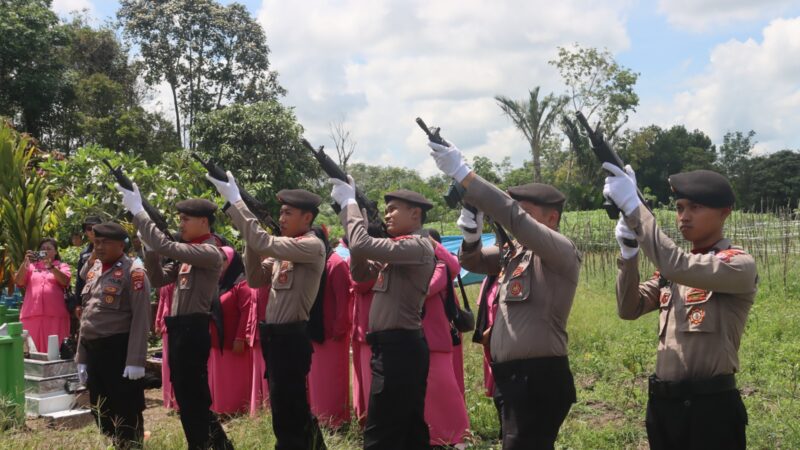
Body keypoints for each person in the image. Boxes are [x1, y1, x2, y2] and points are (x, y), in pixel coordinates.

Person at [429, 139, 581, 450]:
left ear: (552, 219)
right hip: (512, 377)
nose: (518, 220)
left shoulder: (560, 250)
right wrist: (471, 235)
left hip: (538, 376)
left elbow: (514, 218)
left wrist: (464, 175)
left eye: (527, 213)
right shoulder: (515, 253)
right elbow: (471, 261)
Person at [603, 165, 757, 450]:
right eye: (679, 207)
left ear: (724, 212)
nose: (684, 216)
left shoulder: (737, 264)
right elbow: (629, 308)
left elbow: (678, 265)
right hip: (664, 406)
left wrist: (635, 209)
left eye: (695, 207)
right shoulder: (672, 273)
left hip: (709, 409)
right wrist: (629, 254)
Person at [206, 171, 327, 450]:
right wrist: (251, 239)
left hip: (291, 337)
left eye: (288, 213)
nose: (281, 218)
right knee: (287, 406)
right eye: (280, 213)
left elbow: (264, 243)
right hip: (276, 338)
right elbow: (256, 278)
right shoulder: (286, 250)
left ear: (307, 218)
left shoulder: (311, 246)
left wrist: (237, 204)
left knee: (289, 409)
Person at [116, 183, 233, 450]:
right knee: (187, 396)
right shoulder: (189, 253)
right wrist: (150, 249)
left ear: (204, 222)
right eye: (180, 219)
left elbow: (166, 245)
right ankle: (219, 445)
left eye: (185, 219)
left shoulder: (208, 252)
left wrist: (139, 212)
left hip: (193, 329)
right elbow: (158, 279)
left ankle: (201, 444)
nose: (181, 224)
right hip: (180, 330)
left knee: (193, 397)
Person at [330, 179, 436, 450]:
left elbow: (362, 245)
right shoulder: (398, 250)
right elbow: (360, 274)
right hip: (392, 348)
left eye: (393, 209)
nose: (387, 215)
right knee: (409, 430)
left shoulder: (416, 245)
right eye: (386, 210)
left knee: (381, 433)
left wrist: (350, 205)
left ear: (415, 213)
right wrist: (359, 231)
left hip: (400, 349)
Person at [74, 222, 151, 449]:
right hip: (94, 350)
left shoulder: (134, 271)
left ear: (121, 244)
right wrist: (81, 357)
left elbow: (141, 318)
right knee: (101, 410)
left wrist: (136, 360)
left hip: (119, 350)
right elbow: (87, 316)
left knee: (126, 410)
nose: (99, 247)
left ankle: (131, 445)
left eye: (105, 242)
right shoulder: (94, 269)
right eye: (96, 242)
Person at [422, 231, 470, 447]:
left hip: (438, 335)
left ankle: (458, 433)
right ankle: (434, 434)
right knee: (430, 390)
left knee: (446, 387)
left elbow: (428, 288)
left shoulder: (441, 267)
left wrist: (431, 243)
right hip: (420, 336)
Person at [308, 226, 353, 428]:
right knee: (317, 380)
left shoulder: (335, 263)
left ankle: (336, 420)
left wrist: (339, 328)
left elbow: (344, 300)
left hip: (332, 333)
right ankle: (320, 418)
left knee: (332, 378)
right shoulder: (315, 263)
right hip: (315, 330)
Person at [208, 246, 254, 415]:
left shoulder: (242, 283)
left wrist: (240, 338)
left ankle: (237, 408)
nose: (219, 263)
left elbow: (247, 312)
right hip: (217, 339)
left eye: (223, 259)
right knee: (220, 376)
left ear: (232, 261)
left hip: (233, 340)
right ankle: (221, 407)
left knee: (234, 376)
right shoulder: (217, 283)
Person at [15, 237, 72, 353]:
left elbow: (65, 281)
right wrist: (25, 263)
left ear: (55, 252)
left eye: (49, 249)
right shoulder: (31, 267)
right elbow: (19, 282)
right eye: (42, 249)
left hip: (55, 317)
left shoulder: (62, 266)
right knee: (30, 351)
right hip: (31, 316)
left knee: (54, 352)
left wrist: (51, 266)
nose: (45, 251)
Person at [72, 216, 102, 325]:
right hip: (88, 298)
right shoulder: (84, 254)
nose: (93, 231)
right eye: (89, 228)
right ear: (85, 232)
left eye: (96, 227)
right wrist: (78, 304)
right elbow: (80, 280)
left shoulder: (111, 248)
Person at [154, 283, 178, 410]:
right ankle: (169, 400)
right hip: (166, 325)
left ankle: (178, 400)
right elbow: (162, 299)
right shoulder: (165, 278)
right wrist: (158, 321)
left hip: (178, 323)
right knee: (167, 365)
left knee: (177, 363)